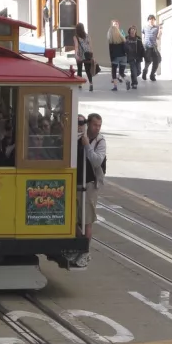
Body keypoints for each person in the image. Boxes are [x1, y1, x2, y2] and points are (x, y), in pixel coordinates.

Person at [72, 113, 105, 270]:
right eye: (94, 125)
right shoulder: (76, 137)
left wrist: (86, 144)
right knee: (70, 219)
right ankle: (78, 246)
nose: (97, 128)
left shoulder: (100, 141)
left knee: (87, 220)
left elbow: (97, 160)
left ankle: (84, 251)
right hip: (74, 183)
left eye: (99, 125)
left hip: (89, 185)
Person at [73, 23, 94, 92]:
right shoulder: (88, 36)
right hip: (87, 54)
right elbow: (90, 46)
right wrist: (92, 54)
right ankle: (91, 83)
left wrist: (76, 54)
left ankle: (80, 84)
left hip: (80, 55)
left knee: (79, 69)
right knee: (88, 70)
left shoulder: (75, 37)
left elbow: (76, 46)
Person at [107, 20, 126, 91]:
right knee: (121, 72)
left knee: (114, 72)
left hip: (115, 57)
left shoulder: (111, 40)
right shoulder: (122, 37)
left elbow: (110, 51)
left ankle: (115, 86)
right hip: (124, 56)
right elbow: (125, 46)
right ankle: (127, 80)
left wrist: (111, 60)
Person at [124, 25, 145, 90]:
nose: (133, 31)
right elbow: (124, 47)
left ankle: (133, 77)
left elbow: (141, 48)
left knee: (138, 71)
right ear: (129, 31)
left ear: (135, 31)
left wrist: (144, 55)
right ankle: (134, 84)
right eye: (131, 29)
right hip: (130, 57)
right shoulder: (126, 38)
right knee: (133, 70)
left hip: (138, 57)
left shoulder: (138, 38)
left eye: (134, 30)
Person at [142, 14, 162, 81]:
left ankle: (152, 74)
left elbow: (158, 37)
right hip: (147, 47)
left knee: (157, 60)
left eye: (153, 19)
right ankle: (144, 71)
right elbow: (143, 36)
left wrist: (160, 31)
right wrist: (143, 44)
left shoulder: (157, 28)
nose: (152, 21)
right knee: (148, 62)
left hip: (154, 47)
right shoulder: (144, 27)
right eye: (150, 19)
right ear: (148, 20)